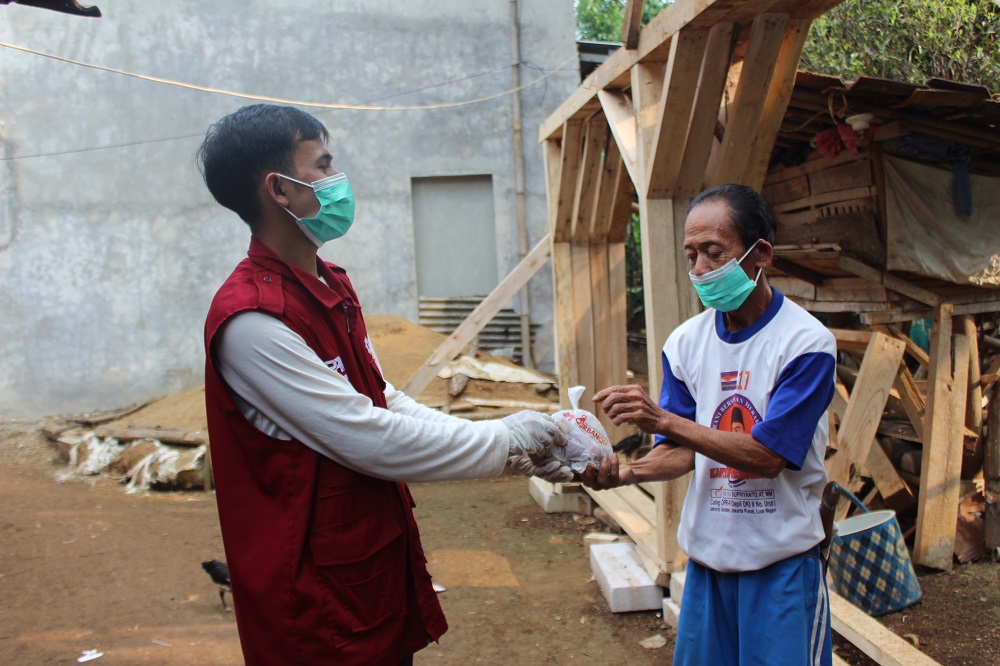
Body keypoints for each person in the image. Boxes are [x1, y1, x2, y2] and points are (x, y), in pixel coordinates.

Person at [196, 104, 570, 666]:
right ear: (279, 189)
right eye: (322, 168)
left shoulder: (326, 286)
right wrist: (506, 443)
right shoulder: (253, 321)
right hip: (314, 600)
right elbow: (366, 437)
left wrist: (509, 438)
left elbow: (381, 398)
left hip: (362, 567)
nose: (336, 181)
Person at [586, 184, 836, 666]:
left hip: (781, 564)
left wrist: (664, 418)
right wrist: (627, 473)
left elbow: (767, 457)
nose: (699, 269)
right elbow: (680, 450)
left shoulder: (806, 344)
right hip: (707, 562)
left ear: (760, 253)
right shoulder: (685, 344)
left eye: (714, 252)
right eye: (691, 255)